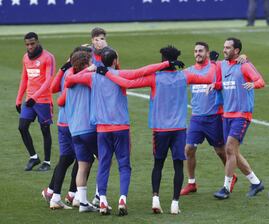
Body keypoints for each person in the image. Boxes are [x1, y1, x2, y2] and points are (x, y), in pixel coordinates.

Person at [97, 45, 216, 215]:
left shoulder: (154, 78)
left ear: (163, 60)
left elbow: (127, 83)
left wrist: (106, 73)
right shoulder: (185, 76)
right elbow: (209, 77)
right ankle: (175, 204)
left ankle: (156, 199)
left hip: (160, 130)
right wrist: (211, 61)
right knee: (178, 166)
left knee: (158, 165)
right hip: (179, 129)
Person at [64, 48, 171, 216]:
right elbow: (142, 71)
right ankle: (122, 199)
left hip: (102, 129)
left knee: (104, 164)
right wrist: (166, 64)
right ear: (114, 61)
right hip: (121, 127)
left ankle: (104, 200)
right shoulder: (120, 74)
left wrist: (89, 69)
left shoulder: (93, 77)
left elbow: (69, 80)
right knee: (124, 165)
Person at [209, 37, 265, 199]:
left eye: (227, 48)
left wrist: (254, 84)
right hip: (227, 114)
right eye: (224, 47)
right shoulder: (223, 65)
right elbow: (224, 83)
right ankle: (256, 183)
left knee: (229, 149)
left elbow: (261, 81)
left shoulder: (245, 66)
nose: (224, 50)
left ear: (237, 51)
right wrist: (216, 85)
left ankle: (225, 188)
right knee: (234, 152)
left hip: (242, 114)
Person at [180, 42, 237, 196]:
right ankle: (191, 183)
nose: (197, 53)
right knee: (188, 149)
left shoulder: (216, 67)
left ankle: (230, 177)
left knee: (220, 151)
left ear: (207, 52)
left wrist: (243, 57)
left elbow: (233, 62)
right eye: (195, 51)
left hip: (215, 117)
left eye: (200, 51)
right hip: (197, 118)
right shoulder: (189, 71)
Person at [41, 46, 92, 210]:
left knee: (68, 158)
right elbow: (62, 99)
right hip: (74, 122)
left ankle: (55, 194)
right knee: (83, 159)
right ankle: (75, 195)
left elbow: (54, 88)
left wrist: (63, 68)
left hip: (63, 122)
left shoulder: (67, 72)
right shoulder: (78, 75)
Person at [58, 51, 99, 213]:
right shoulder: (89, 77)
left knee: (83, 165)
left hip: (74, 130)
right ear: (84, 64)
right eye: (90, 61)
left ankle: (82, 202)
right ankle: (98, 197)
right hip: (89, 128)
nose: (92, 63)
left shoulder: (68, 76)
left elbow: (61, 100)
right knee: (105, 160)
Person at [16, 32, 56, 171]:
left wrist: (36, 96)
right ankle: (34, 157)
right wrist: (18, 99)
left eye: (32, 43)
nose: (30, 47)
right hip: (30, 100)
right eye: (27, 44)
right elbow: (24, 78)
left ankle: (47, 162)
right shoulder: (26, 58)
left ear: (37, 42)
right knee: (22, 127)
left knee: (45, 130)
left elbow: (49, 80)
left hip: (43, 100)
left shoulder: (48, 57)